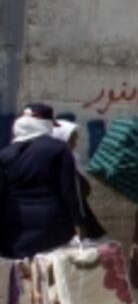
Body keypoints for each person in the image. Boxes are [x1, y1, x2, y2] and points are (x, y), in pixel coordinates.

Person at [0, 105, 91, 259]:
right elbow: (69, 190)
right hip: (51, 222)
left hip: (15, 222)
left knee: (19, 273)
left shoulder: (5, 153)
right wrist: (78, 222)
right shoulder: (59, 149)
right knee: (48, 273)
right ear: (45, 124)